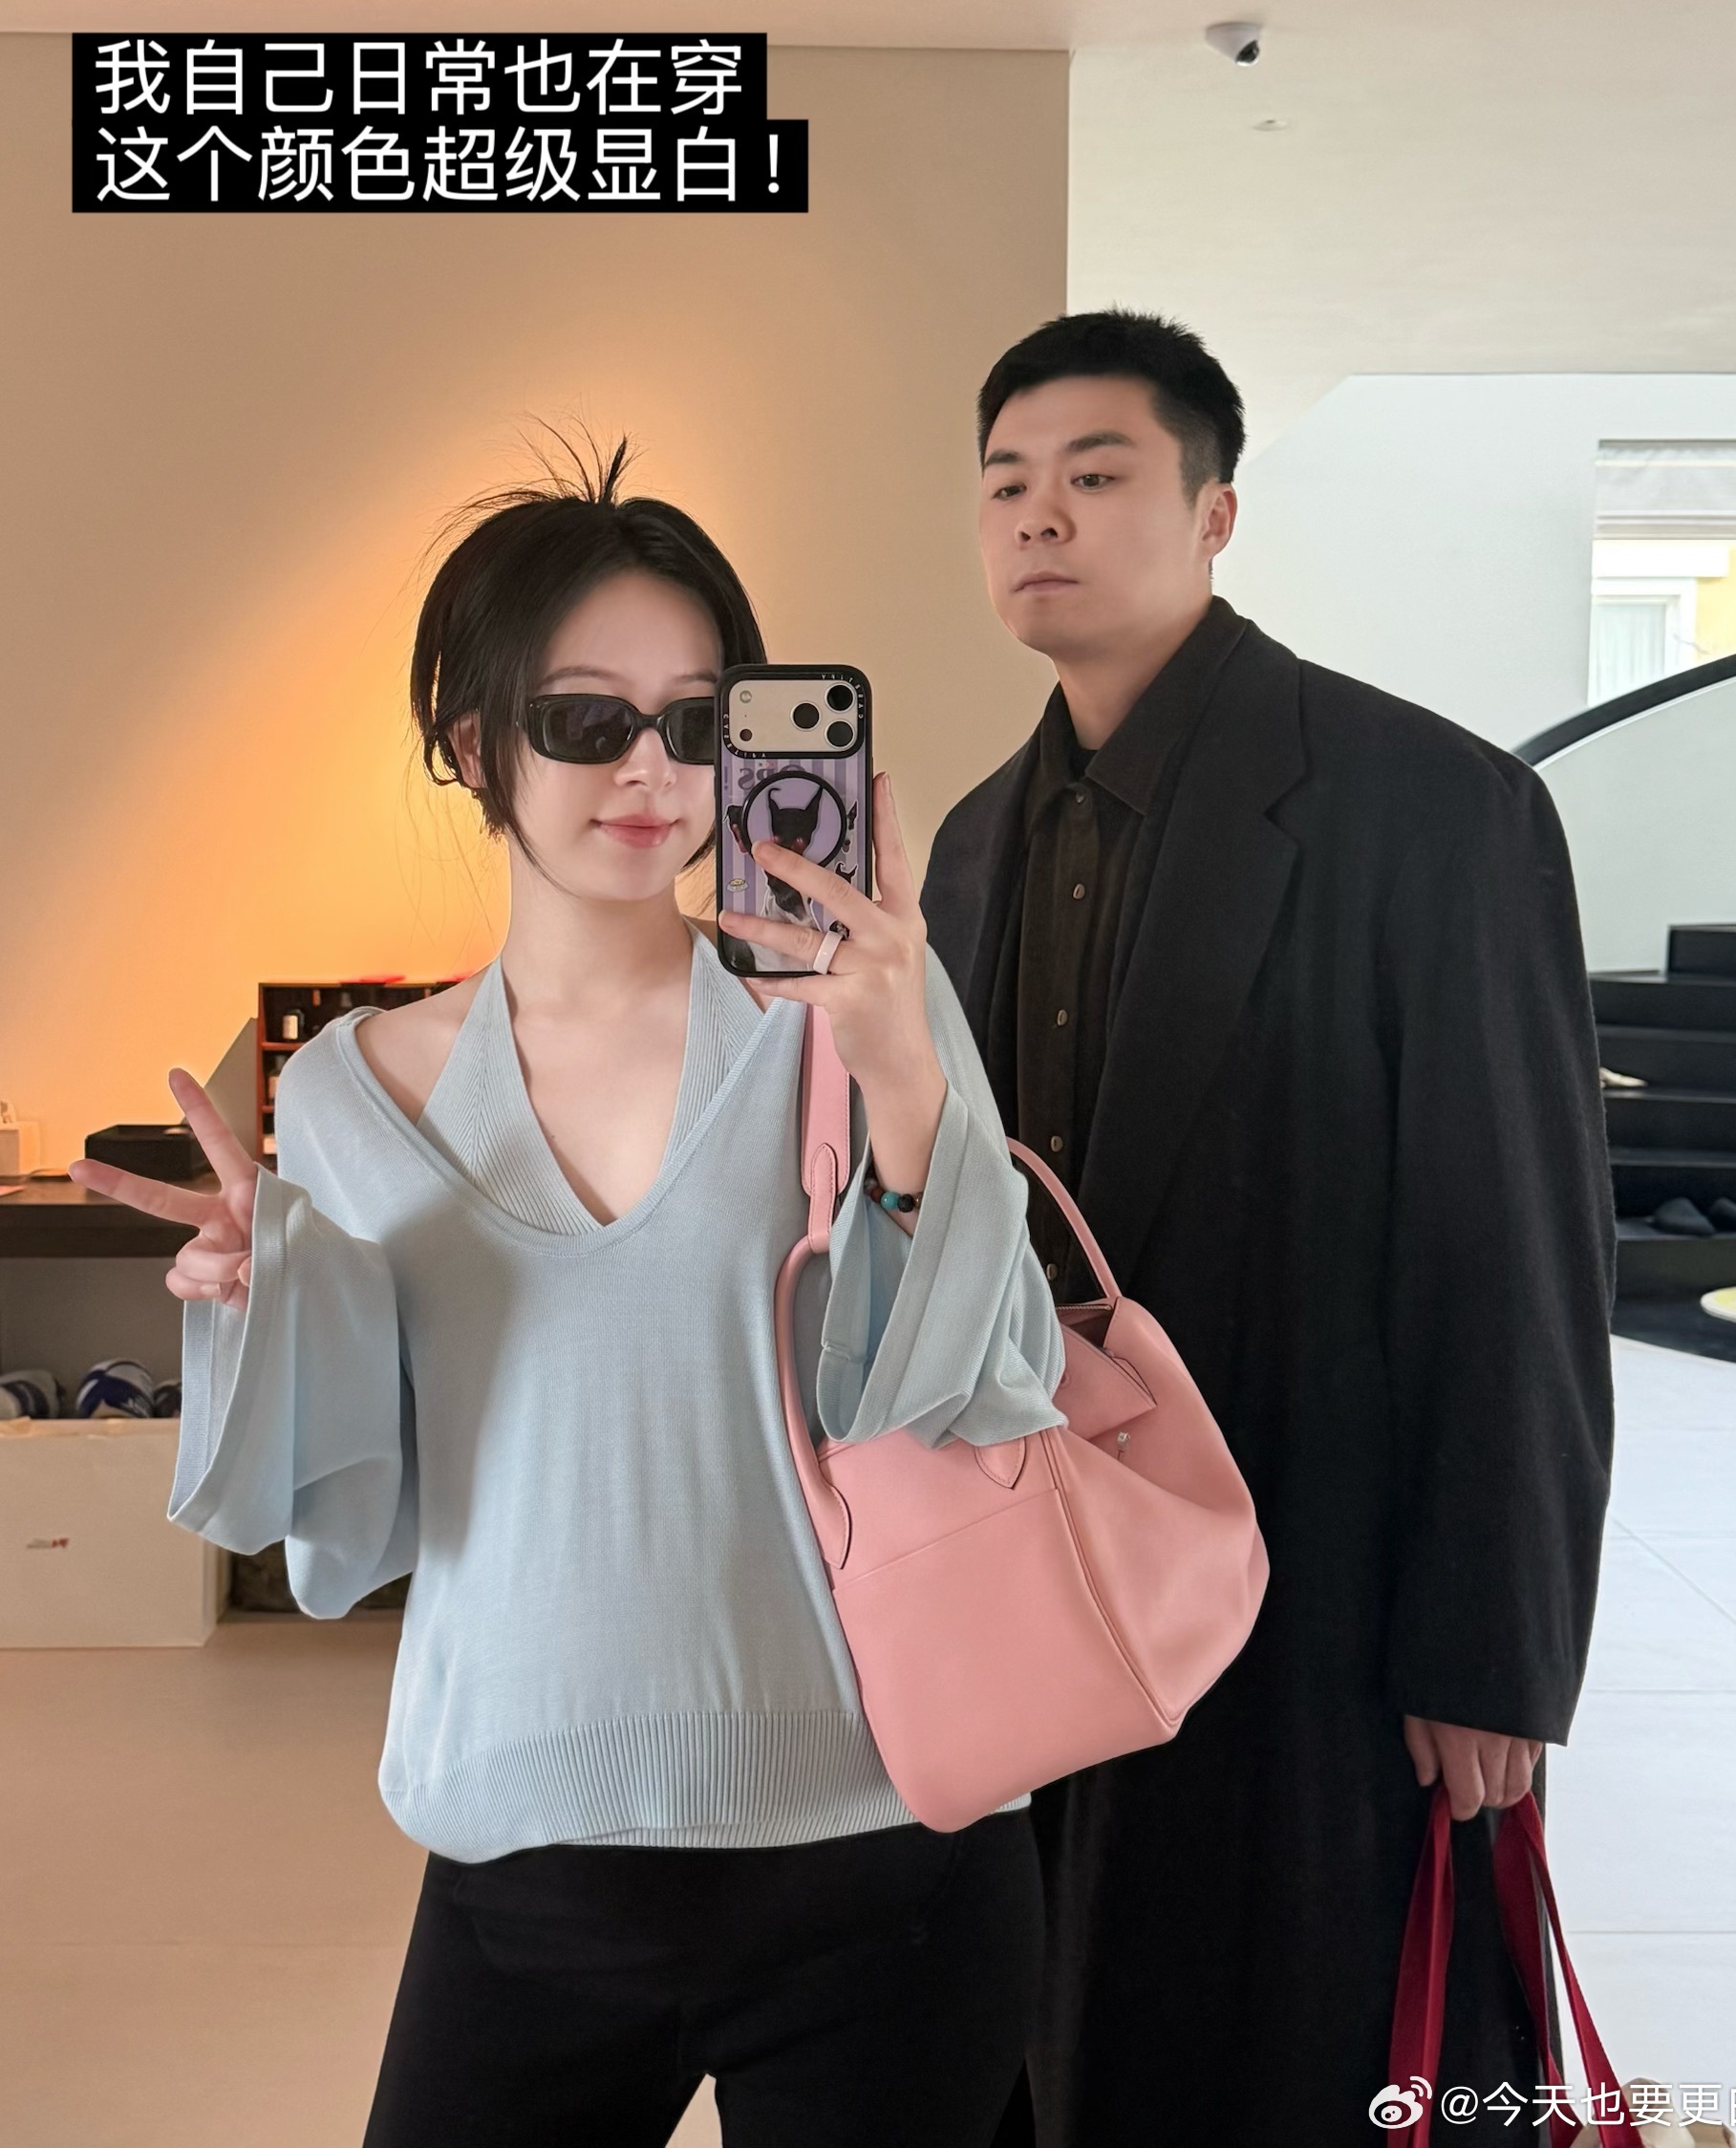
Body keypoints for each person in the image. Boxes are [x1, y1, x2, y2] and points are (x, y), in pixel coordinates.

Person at [77, 442, 1059, 2148]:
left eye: (695, 720)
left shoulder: (850, 1018)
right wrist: (267, 1298)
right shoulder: (350, 1091)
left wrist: (904, 1069)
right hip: (523, 1848)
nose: (650, 770)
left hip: (884, 1846)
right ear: (475, 746)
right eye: (586, 720)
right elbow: (359, 1521)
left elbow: (984, 1384)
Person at [923, 311, 1617, 2148]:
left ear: (1214, 511)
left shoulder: (1431, 807)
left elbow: (1516, 1262)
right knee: (1059, 2034)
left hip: (1326, 1591)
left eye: (1095, 474)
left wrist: (1489, 1650)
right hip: (1041, 1590)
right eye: (1004, 484)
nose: (1038, 516)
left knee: (1310, 2053)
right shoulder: (970, 847)